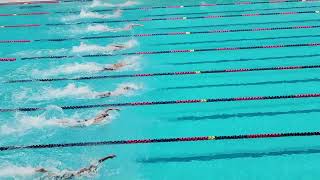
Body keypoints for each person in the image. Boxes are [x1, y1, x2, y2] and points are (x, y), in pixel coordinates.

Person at [35, 154, 116, 179]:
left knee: (55, 175)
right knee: (56, 176)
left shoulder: (86, 171)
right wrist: (108, 157)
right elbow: (98, 162)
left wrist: (108, 157)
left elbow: (98, 162)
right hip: (68, 175)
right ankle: (43, 170)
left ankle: (43, 171)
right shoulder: (86, 172)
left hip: (67, 174)